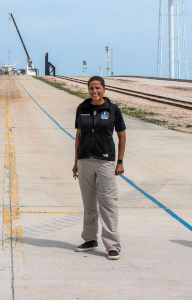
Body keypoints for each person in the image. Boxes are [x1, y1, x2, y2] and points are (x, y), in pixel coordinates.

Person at [72, 76, 126, 260]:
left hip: (105, 161)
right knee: (89, 203)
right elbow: (78, 136)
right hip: (85, 160)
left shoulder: (112, 109)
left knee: (108, 203)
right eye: (91, 88)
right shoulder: (82, 108)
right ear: (88, 90)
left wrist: (119, 161)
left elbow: (121, 135)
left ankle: (112, 245)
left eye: (98, 88)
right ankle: (89, 240)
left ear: (104, 89)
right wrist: (75, 162)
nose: (95, 91)